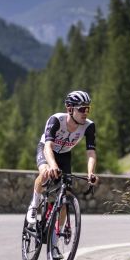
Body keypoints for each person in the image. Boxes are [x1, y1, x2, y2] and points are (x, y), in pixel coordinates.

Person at [26, 90, 98, 226]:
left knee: (65, 196)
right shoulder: (56, 120)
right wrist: (52, 165)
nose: (85, 112)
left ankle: (54, 237)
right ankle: (34, 206)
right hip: (47, 150)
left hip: (65, 155)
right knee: (46, 172)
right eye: (82, 109)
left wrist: (90, 172)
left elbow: (91, 153)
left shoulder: (89, 126)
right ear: (70, 109)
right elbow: (48, 146)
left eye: (88, 109)